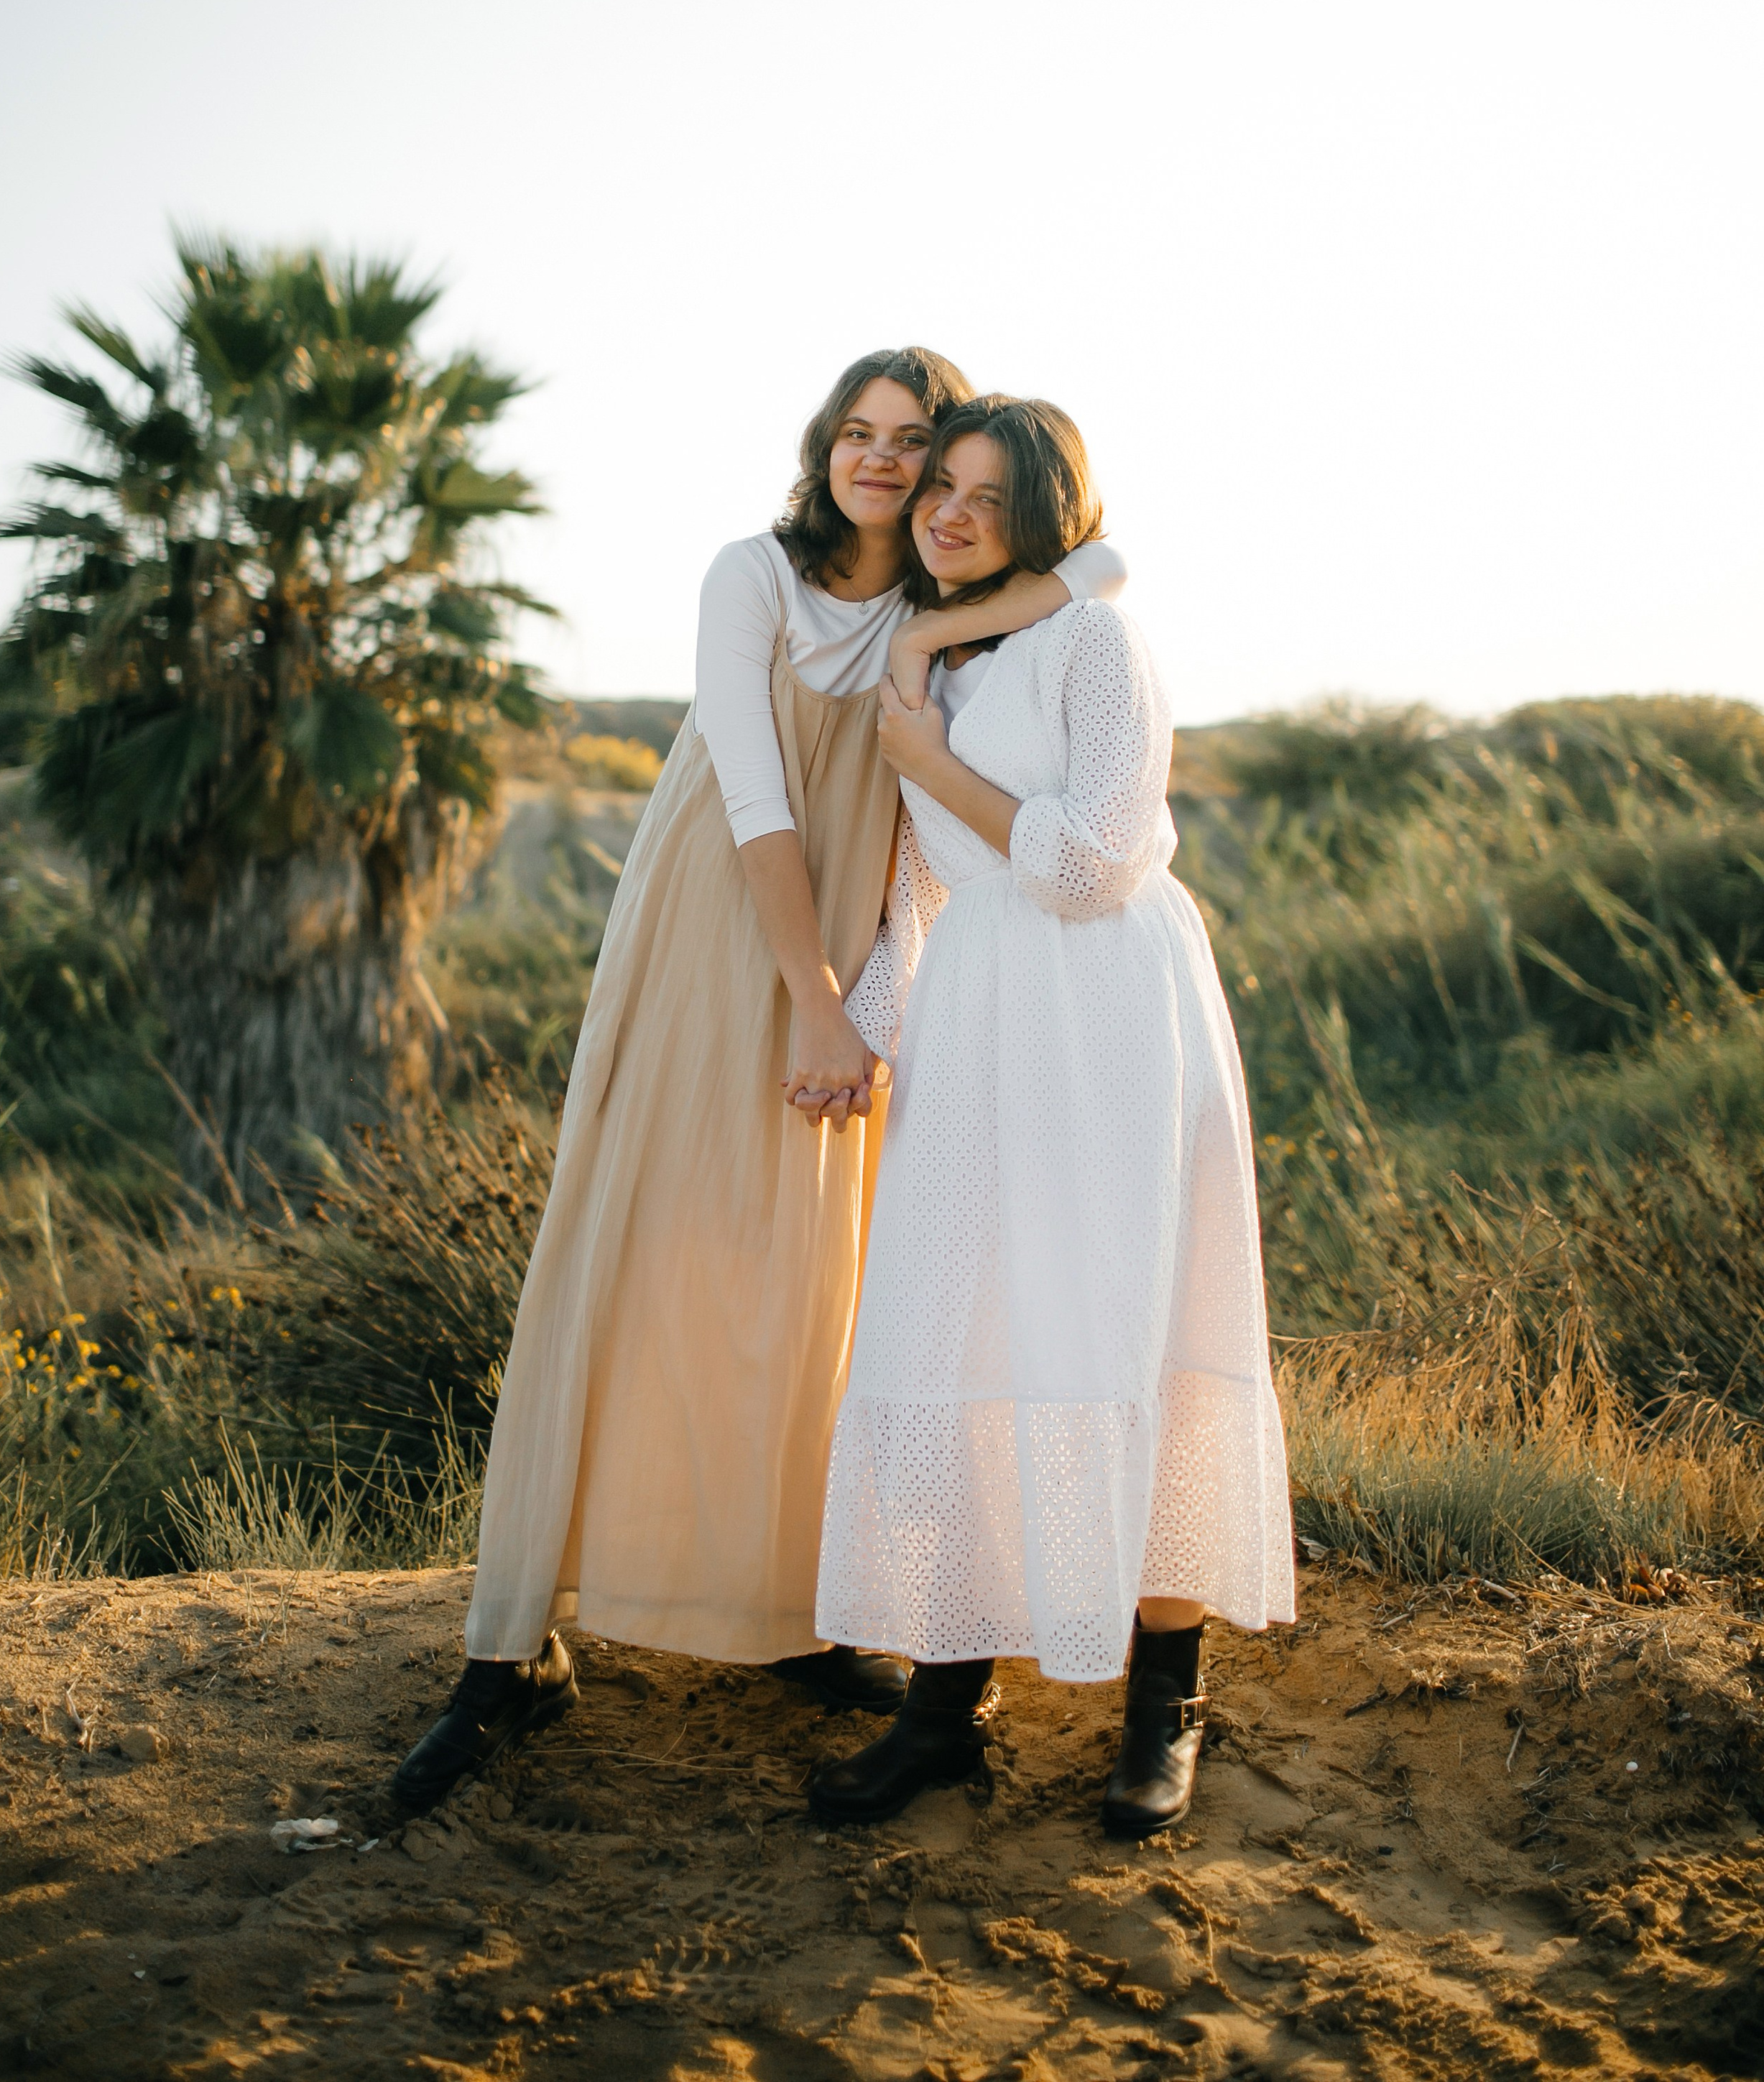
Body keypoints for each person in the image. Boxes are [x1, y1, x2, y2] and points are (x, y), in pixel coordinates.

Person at [392, 351, 1130, 1814]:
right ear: (822, 446)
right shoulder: (752, 577)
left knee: (809, 1277)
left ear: (946, 473)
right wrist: (811, 1002)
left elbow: (1098, 567)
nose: (874, 460)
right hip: (718, 926)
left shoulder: (939, 619)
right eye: (853, 433)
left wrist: (860, 998)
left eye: (908, 443)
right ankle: (512, 1647)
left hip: (848, 971)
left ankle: (782, 1618)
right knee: (633, 1245)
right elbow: (753, 795)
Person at [805, 395, 1293, 1837]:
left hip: (1107, 1015)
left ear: (1043, 518)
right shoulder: (938, 653)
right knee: (956, 1325)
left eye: (985, 495)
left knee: (1123, 1324)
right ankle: (945, 1707)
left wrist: (927, 759)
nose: (946, 512)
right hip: (977, 1018)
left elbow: (1094, 864)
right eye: (937, 486)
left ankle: (1164, 1703)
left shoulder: (1093, 643)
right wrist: (854, 1032)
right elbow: (919, 891)